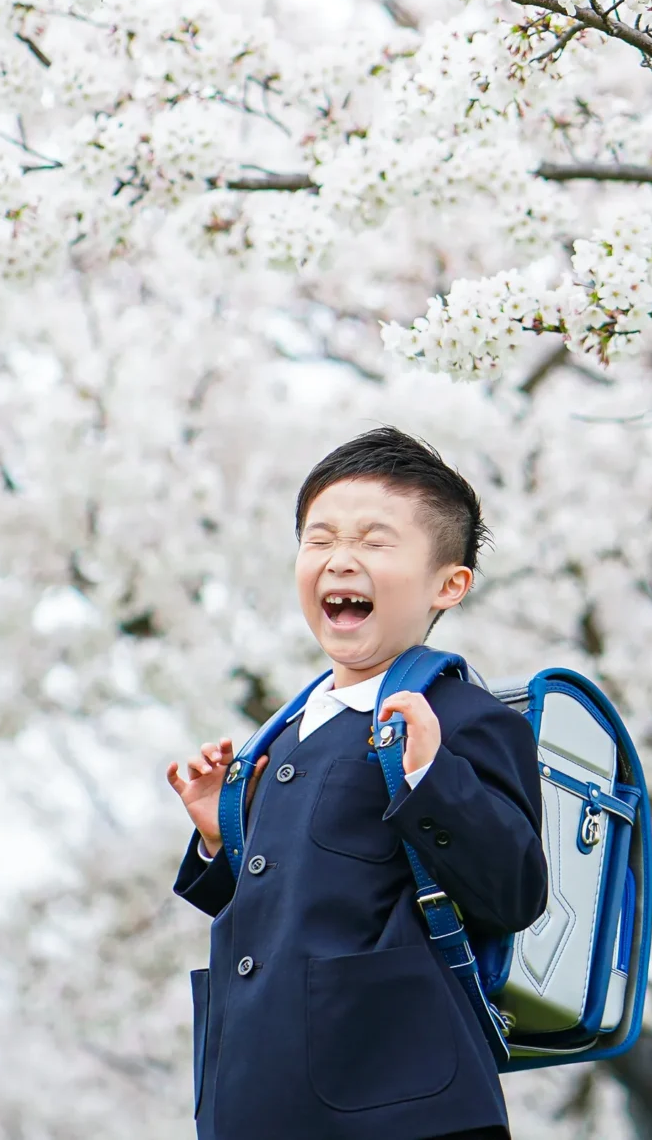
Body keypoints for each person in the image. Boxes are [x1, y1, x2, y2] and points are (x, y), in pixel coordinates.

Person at [167, 427, 549, 1140]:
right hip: (262, 1102)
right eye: (320, 539)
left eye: (376, 541)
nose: (341, 558)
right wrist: (226, 836)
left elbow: (515, 890)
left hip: (403, 1107)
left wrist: (433, 778)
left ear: (449, 583)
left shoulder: (463, 717)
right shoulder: (282, 735)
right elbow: (304, 908)